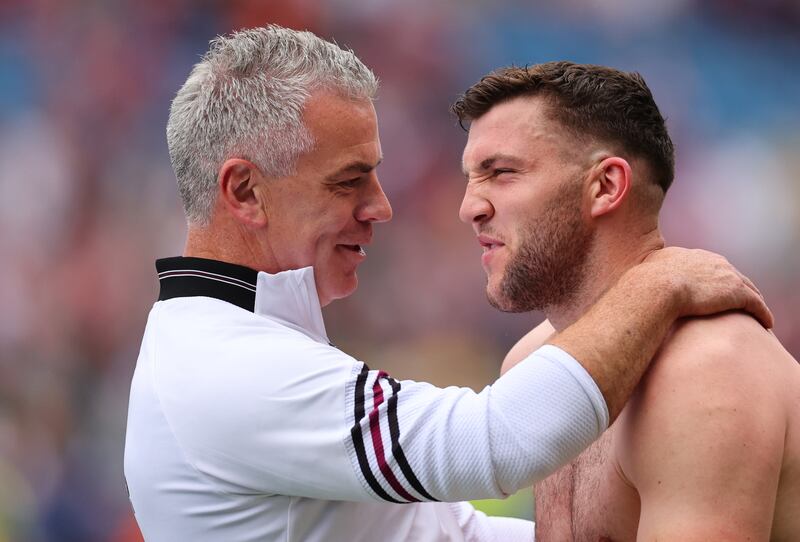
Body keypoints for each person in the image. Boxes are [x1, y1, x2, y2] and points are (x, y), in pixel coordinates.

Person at [123, 27, 772, 541]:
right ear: (244, 191)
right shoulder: (224, 368)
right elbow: (492, 443)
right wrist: (660, 282)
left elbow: (446, 536)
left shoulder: (232, 344)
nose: (381, 206)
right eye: (348, 180)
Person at [454, 61, 800, 541]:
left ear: (606, 186)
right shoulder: (531, 362)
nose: (470, 207)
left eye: (502, 172)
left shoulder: (706, 369)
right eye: (472, 177)